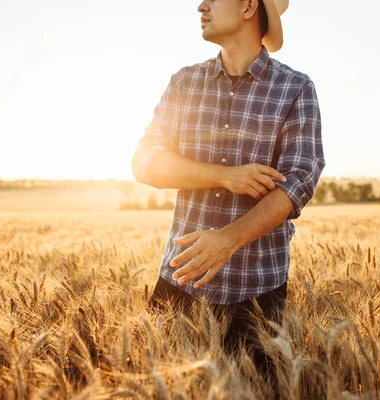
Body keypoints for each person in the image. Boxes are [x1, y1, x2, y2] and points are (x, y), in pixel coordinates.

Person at [132, 0, 325, 397]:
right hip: (179, 285)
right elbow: (145, 162)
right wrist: (223, 176)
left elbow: (297, 183)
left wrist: (227, 240)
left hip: (257, 295)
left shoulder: (295, 89)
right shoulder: (184, 83)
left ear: (249, 6)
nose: (200, 5)